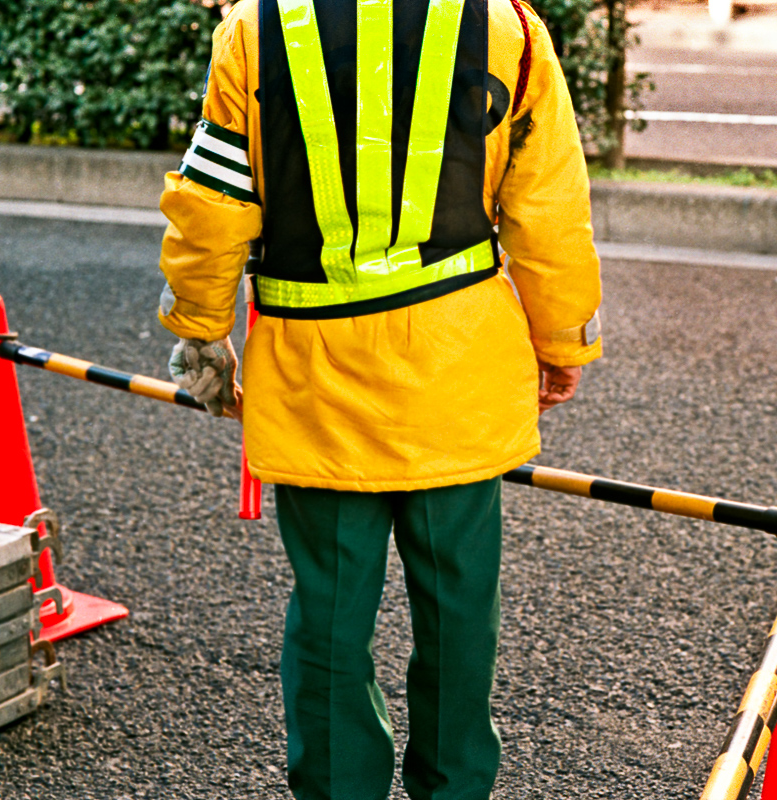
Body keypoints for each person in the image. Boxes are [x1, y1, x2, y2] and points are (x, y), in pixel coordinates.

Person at [156, 0, 601, 796]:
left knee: (328, 616)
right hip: (455, 377)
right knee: (459, 613)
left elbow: (212, 201)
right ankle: (455, 787)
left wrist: (199, 327)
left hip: (312, 379)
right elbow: (550, 212)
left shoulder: (255, 29)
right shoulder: (513, 30)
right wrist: (562, 343)